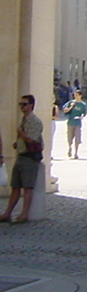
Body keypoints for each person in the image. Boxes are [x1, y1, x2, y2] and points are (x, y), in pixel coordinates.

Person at [1, 95, 42, 223]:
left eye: (24, 104)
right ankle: (7, 213)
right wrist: (17, 143)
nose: (21, 107)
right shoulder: (23, 119)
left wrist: (21, 133)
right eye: (20, 104)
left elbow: (31, 139)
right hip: (21, 155)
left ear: (31, 105)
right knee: (15, 186)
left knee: (27, 187)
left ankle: (24, 214)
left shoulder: (35, 121)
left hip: (30, 158)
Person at [63, 91, 87, 159]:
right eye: (74, 95)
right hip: (70, 122)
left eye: (77, 95)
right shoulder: (71, 102)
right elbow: (65, 110)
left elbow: (84, 113)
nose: (75, 96)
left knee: (77, 138)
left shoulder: (83, 105)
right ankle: (70, 147)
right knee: (69, 137)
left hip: (78, 123)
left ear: (80, 96)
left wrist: (81, 116)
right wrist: (71, 106)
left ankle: (76, 153)